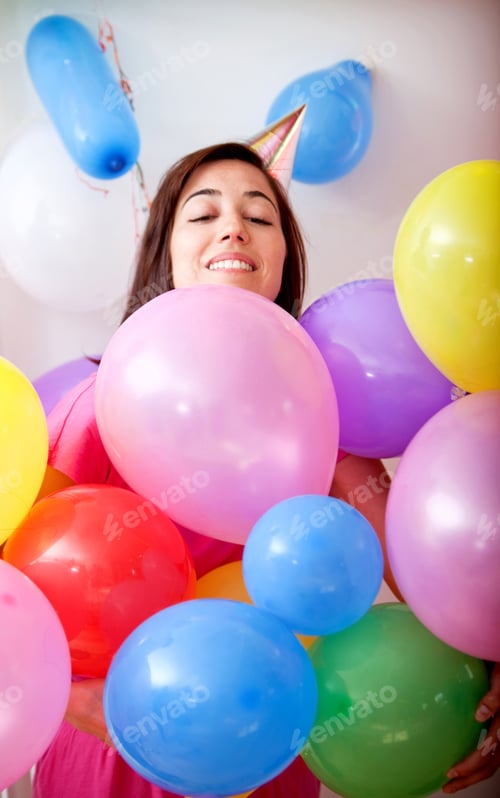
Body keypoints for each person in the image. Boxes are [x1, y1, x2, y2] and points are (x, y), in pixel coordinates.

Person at [31, 142, 499, 798]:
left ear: (283, 259)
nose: (233, 227)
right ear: (166, 252)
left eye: (261, 215)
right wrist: (81, 700)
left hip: (265, 747)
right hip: (117, 756)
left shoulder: (328, 416)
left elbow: (431, 572)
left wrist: (490, 659)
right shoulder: (96, 403)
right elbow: (15, 589)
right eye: (202, 214)